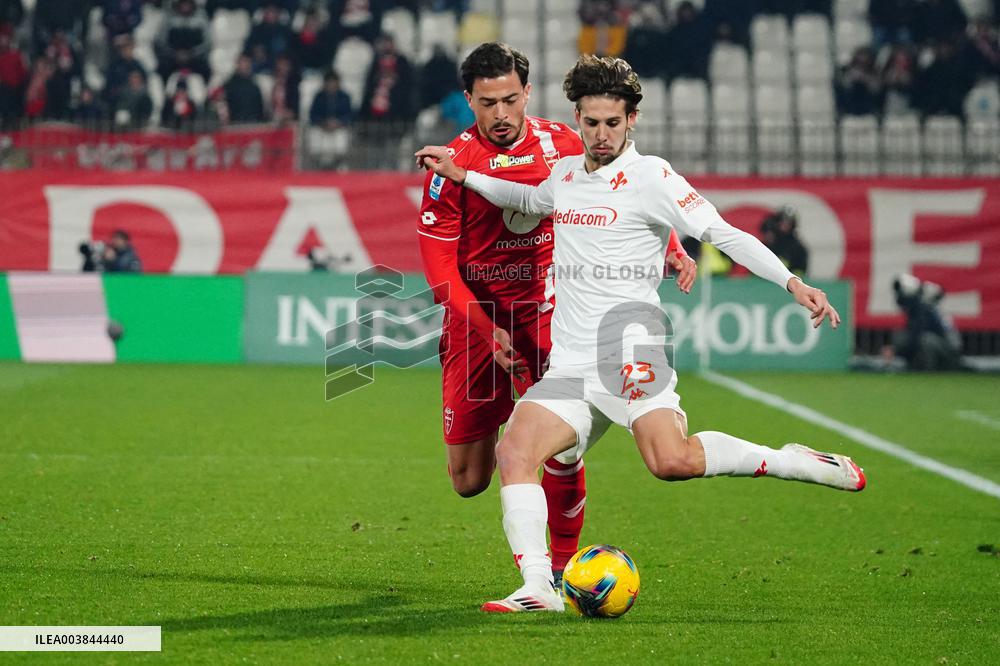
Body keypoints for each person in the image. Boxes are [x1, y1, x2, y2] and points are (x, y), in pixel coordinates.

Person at [417, 55, 865, 613]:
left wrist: (793, 282)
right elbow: (527, 200)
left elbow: (724, 233)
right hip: (572, 364)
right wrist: (463, 176)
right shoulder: (563, 175)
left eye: (612, 123)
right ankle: (539, 586)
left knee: (669, 462)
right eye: (590, 122)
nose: (600, 135)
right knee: (514, 452)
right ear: (577, 119)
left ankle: (793, 460)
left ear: (632, 121)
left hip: (630, 348)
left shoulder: (653, 177)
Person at [416, 42, 695, 589]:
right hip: (477, 319)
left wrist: (671, 248)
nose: (501, 114)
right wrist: (484, 328)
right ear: (468, 100)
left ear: (528, 94)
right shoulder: (452, 165)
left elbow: (620, 197)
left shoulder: (565, 142)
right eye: (487, 102)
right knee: (469, 479)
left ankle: (563, 569)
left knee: (560, 442)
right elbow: (440, 271)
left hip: (551, 311)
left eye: (511, 100)